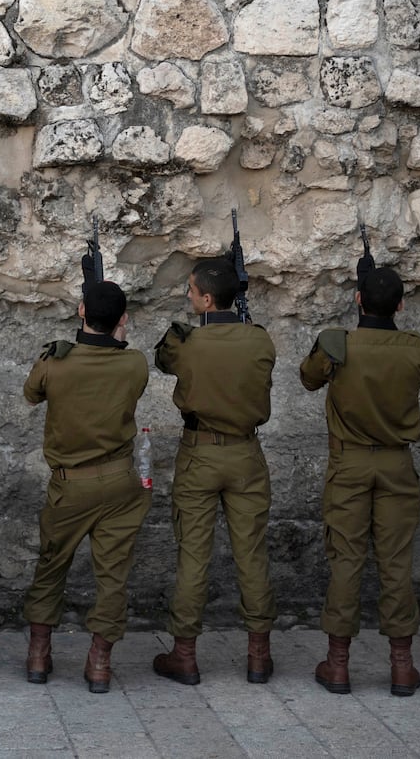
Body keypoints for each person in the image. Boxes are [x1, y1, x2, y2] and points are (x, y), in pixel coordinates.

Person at [299, 266, 420, 697]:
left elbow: (308, 377)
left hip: (350, 463)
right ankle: (402, 666)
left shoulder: (340, 345)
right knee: (396, 563)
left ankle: (338, 665)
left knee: (346, 560)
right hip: (396, 464)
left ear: (357, 300)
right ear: (401, 305)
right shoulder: (416, 348)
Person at [151, 258, 276, 687]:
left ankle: (184, 654)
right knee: (252, 555)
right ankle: (259, 655)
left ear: (206, 299)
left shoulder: (187, 342)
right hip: (246, 454)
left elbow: (163, 360)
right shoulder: (260, 341)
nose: (187, 297)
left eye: (191, 291)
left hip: (200, 453)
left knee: (192, 555)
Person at [21, 280, 151, 693]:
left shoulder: (55, 362)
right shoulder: (135, 364)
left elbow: (30, 394)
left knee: (51, 566)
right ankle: (99, 663)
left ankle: (39, 655)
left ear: (80, 312)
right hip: (119, 482)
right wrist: (117, 339)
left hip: (70, 485)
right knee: (112, 575)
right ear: (123, 320)